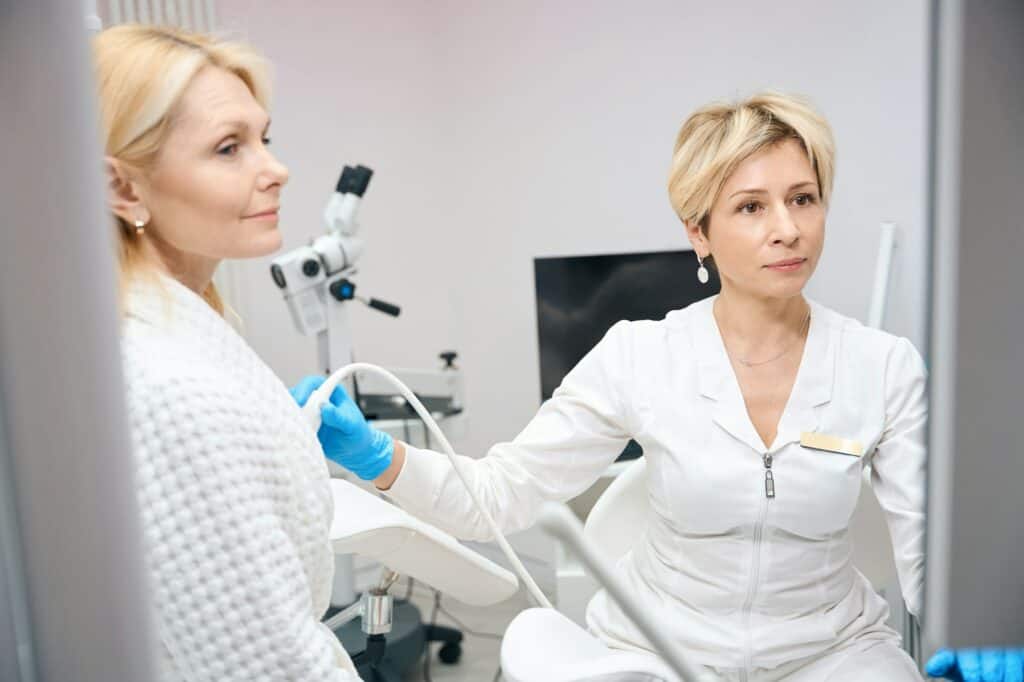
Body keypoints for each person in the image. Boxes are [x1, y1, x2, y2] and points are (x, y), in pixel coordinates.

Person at [304, 92, 929, 681]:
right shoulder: (640, 356)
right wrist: (380, 459)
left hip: (834, 653)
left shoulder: (883, 366)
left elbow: (929, 552)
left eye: (803, 198)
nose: (788, 228)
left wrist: (985, 638)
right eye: (751, 206)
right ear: (699, 233)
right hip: (660, 651)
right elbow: (499, 496)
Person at [97, 24, 360, 680]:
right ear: (125, 190)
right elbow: (269, 667)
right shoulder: (168, 386)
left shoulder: (179, 335)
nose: (276, 169)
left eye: (262, 139)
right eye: (227, 148)